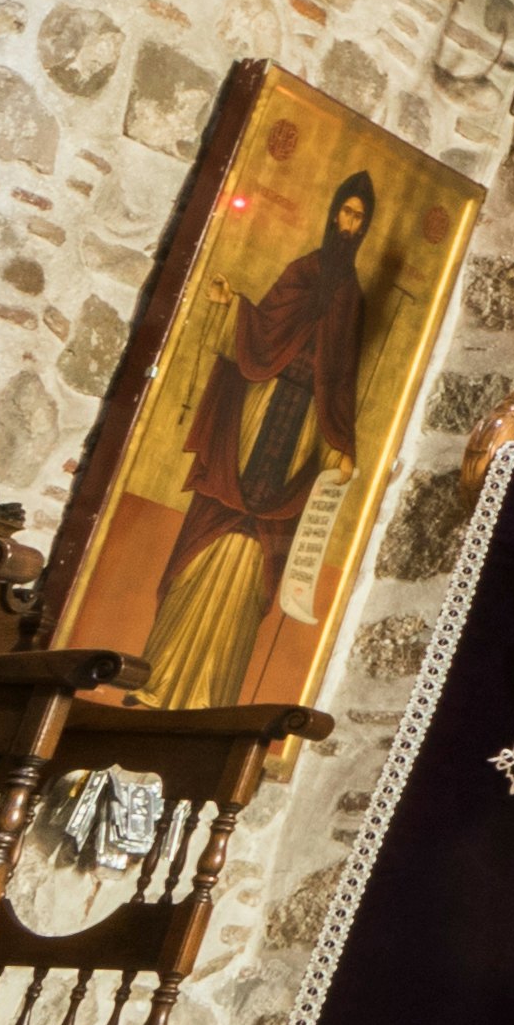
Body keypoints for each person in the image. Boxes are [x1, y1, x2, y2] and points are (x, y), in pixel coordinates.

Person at [137, 167, 382, 708]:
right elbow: (263, 330)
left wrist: (342, 443)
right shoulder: (302, 271)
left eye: (358, 217)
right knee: (214, 519)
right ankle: (156, 676)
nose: (347, 223)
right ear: (332, 215)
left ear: (364, 228)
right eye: (344, 211)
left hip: (301, 435)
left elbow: (340, 379)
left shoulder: (353, 299)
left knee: (261, 555)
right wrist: (233, 305)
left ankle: (214, 697)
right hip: (259, 414)